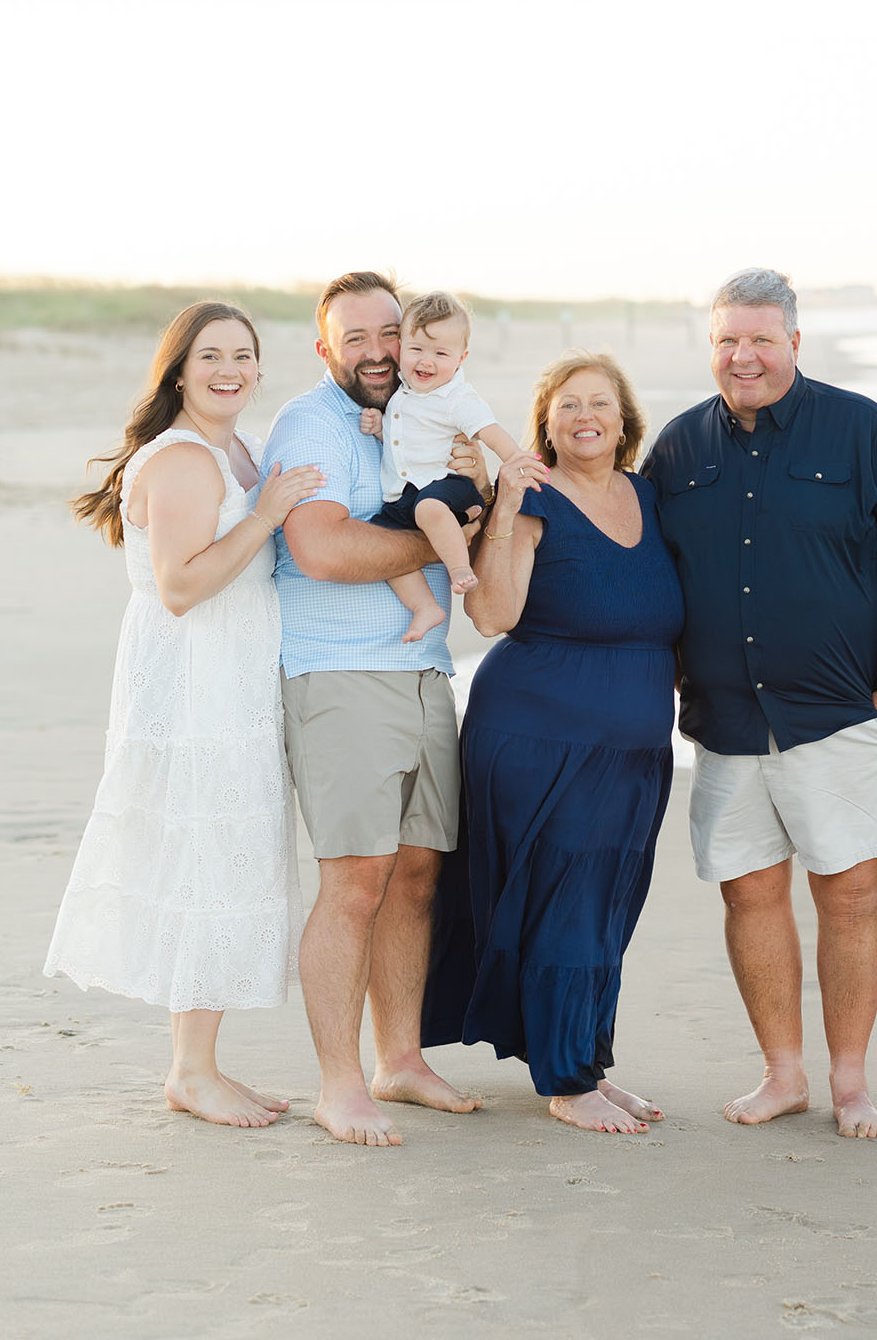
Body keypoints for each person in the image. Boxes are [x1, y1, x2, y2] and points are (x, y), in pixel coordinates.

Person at [644, 268, 877, 1139]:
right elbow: (642, 569)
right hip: (727, 729)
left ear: (792, 342)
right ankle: (783, 1074)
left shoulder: (859, 429)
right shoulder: (677, 448)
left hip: (841, 720)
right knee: (750, 899)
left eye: (761, 340)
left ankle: (851, 1082)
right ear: (713, 346)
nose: (744, 357)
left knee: (850, 902)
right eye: (727, 341)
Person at [46, 302, 322, 1128]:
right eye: (211, 356)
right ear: (178, 371)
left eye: (244, 354)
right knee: (203, 857)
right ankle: (190, 1071)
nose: (229, 368)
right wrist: (268, 515)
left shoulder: (239, 448)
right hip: (192, 688)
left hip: (231, 683)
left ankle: (199, 1063)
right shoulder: (183, 461)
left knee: (225, 856)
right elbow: (180, 587)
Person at [264, 270, 487, 1148]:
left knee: (417, 875)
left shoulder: (418, 414)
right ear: (326, 349)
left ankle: (402, 1059)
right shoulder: (309, 422)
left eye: (386, 333)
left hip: (426, 670)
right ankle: (338, 1082)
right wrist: (445, 530)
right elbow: (321, 548)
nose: (375, 351)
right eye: (352, 338)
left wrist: (473, 497)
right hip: (340, 676)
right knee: (355, 880)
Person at [448, 353, 683, 1134]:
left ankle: (585, 1059)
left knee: (608, 906)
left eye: (601, 403)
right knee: (568, 906)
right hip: (541, 737)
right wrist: (508, 504)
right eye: (567, 405)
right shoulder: (536, 498)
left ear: (625, 420)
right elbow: (493, 616)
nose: (586, 416)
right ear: (544, 425)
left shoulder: (647, 495)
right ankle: (566, 1078)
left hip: (636, 748)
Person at [360, 290, 523, 641]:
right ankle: (425, 607)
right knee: (383, 543)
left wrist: (517, 458)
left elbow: (489, 432)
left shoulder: (456, 398)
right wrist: (379, 430)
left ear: (461, 359)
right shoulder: (402, 394)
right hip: (405, 493)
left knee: (430, 509)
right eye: (417, 349)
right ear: (401, 346)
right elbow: (403, 444)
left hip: (449, 486)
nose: (426, 361)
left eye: (441, 353)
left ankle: (459, 568)